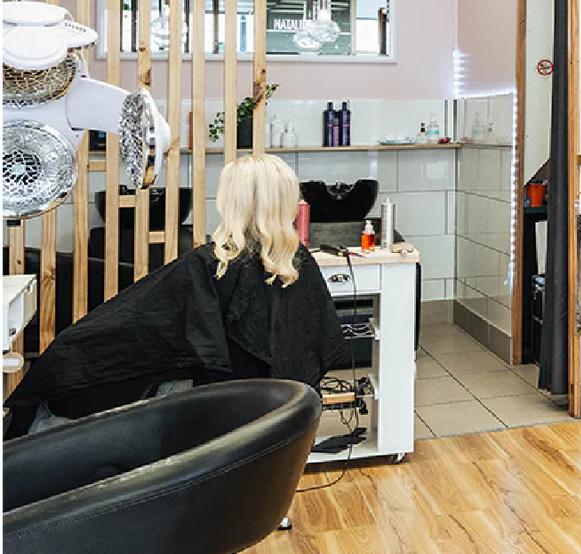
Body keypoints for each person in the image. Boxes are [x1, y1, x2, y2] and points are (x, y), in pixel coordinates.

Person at [1, 154, 346, 438]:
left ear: (232, 201)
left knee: (53, 400)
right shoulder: (298, 264)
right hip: (272, 414)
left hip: (210, 407)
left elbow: (135, 328)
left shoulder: (210, 264)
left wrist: (64, 354)